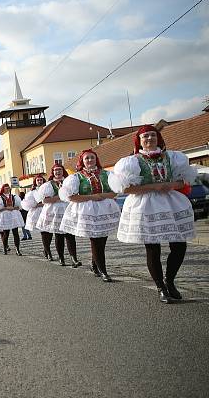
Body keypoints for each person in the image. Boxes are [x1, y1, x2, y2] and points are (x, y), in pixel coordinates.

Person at [109, 126, 197, 303]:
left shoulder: (173, 157)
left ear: (158, 138)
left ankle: (169, 280)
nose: (149, 138)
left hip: (172, 203)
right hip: (145, 205)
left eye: (152, 135)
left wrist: (171, 185)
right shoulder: (132, 162)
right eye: (145, 136)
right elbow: (126, 188)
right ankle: (161, 288)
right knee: (153, 248)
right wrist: (154, 187)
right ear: (139, 141)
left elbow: (184, 181)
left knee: (179, 245)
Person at [59, 149, 120, 282]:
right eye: (87, 159)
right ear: (82, 161)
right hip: (87, 211)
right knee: (95, 240)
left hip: (105, 210)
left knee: (102, 240)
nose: (90, 160)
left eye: (92, 158)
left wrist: (101, 196)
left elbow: (115, 192)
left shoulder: (106, 174)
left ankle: (95, 264)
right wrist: (92, 197)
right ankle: (103, 271)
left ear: (96, 159)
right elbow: (72, 197)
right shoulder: (76, 177)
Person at [36, 164, 80, 267]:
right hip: (55, 212)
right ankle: (61, 258)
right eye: (55, 170)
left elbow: (75, 195)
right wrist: (60, 197)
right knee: (59, 236)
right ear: (53, 172)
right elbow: (45, 200)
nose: (58, 172)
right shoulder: (48, 185)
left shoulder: (69, 182)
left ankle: (74, 258)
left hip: (68, 210)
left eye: (59, 169)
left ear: (63, 171)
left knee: (70, 235)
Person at [0, 184, 24, 255]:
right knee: (6, 233)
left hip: (14, 216)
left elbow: (19, 207)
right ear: (3, 189)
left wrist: (13, 208)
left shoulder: (15, 197)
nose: (7, 190)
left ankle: (17, 249)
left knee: (16, 233)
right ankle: (5, 248)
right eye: (6, 188)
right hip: (5, 216)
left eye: (8, 188)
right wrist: (6, 208)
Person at [21, 175, 48, 258]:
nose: (39, 181)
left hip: (48, 210)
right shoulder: (32, 192)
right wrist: (37, 204)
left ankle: (46, 249)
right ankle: (46, 250)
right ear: (35, 182)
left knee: (48, 232)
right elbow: (31, 204)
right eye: (38, 180)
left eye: (41, 180)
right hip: (39, 212)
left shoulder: (47, 188)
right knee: (43, 232)